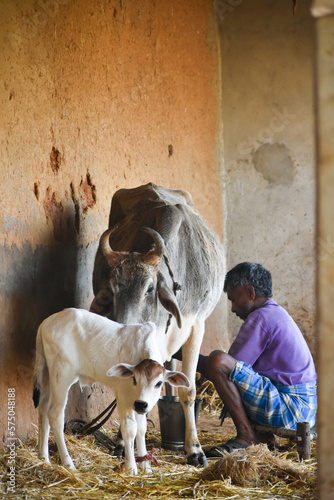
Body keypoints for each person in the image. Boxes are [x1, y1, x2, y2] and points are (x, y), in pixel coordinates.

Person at [196, 262, 317, 456]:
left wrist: (182, 353)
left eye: (234, 299)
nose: (233, 309)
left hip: (291, 408)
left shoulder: (261, 317)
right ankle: (262, 438)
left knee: (217, 360)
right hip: (304, 409)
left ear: (250, 293)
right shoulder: (275, 312)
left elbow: (222, 369)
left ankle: (246, 437)